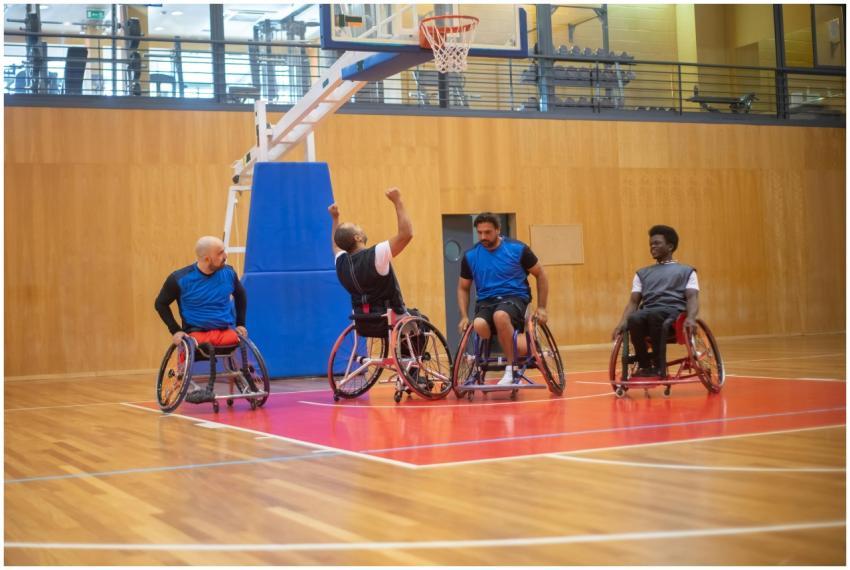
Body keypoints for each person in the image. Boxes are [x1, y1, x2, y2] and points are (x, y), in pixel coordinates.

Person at [457, 213, 549, 385]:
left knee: (500, 315)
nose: (483, 237)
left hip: (515, 297)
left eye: (488, 232)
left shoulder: (517, 249)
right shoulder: (471, 256)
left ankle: (511, 368)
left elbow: (541, 274)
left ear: (498, 230)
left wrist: (542, 307)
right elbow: (463, 287)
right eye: (480, 233)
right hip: (486, 301)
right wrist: (463, 316)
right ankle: (499, 349)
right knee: (478, 324)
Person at [155, 236, 247, 403]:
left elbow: (241, 296)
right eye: (220, 253)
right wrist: (175, 330)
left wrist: (240, 323)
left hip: (225, 331)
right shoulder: (179, 279)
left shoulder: (229, 273)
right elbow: (160, 304)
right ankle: (188, 385)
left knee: (239, 339)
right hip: (196, 334)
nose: (225, 255)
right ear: (207, 258)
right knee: (188, 343)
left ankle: (243, 379)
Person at [612, 225, 699, 378]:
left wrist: (691, 318)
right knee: (634, 318)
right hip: (649, 312)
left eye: (657, 243)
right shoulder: (642, 273)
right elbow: (633, 302)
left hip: (673, 313)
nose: (652, 246)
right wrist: (621, 323)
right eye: (651, 244)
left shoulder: (687, 271)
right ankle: (645, 366)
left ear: (670, 246)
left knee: (654, 315)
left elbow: (692, 297)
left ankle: (659, 367)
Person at [328, 187, 413, 319]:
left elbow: (335, 245)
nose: (361, 228)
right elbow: (406, 234)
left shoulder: (341, 262)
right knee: (423, 322)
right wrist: (398, 201)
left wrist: (335, 218)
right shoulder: (376, 254)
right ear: (357, 238)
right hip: (391, 318)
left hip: (364, 320)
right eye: (357, 227)